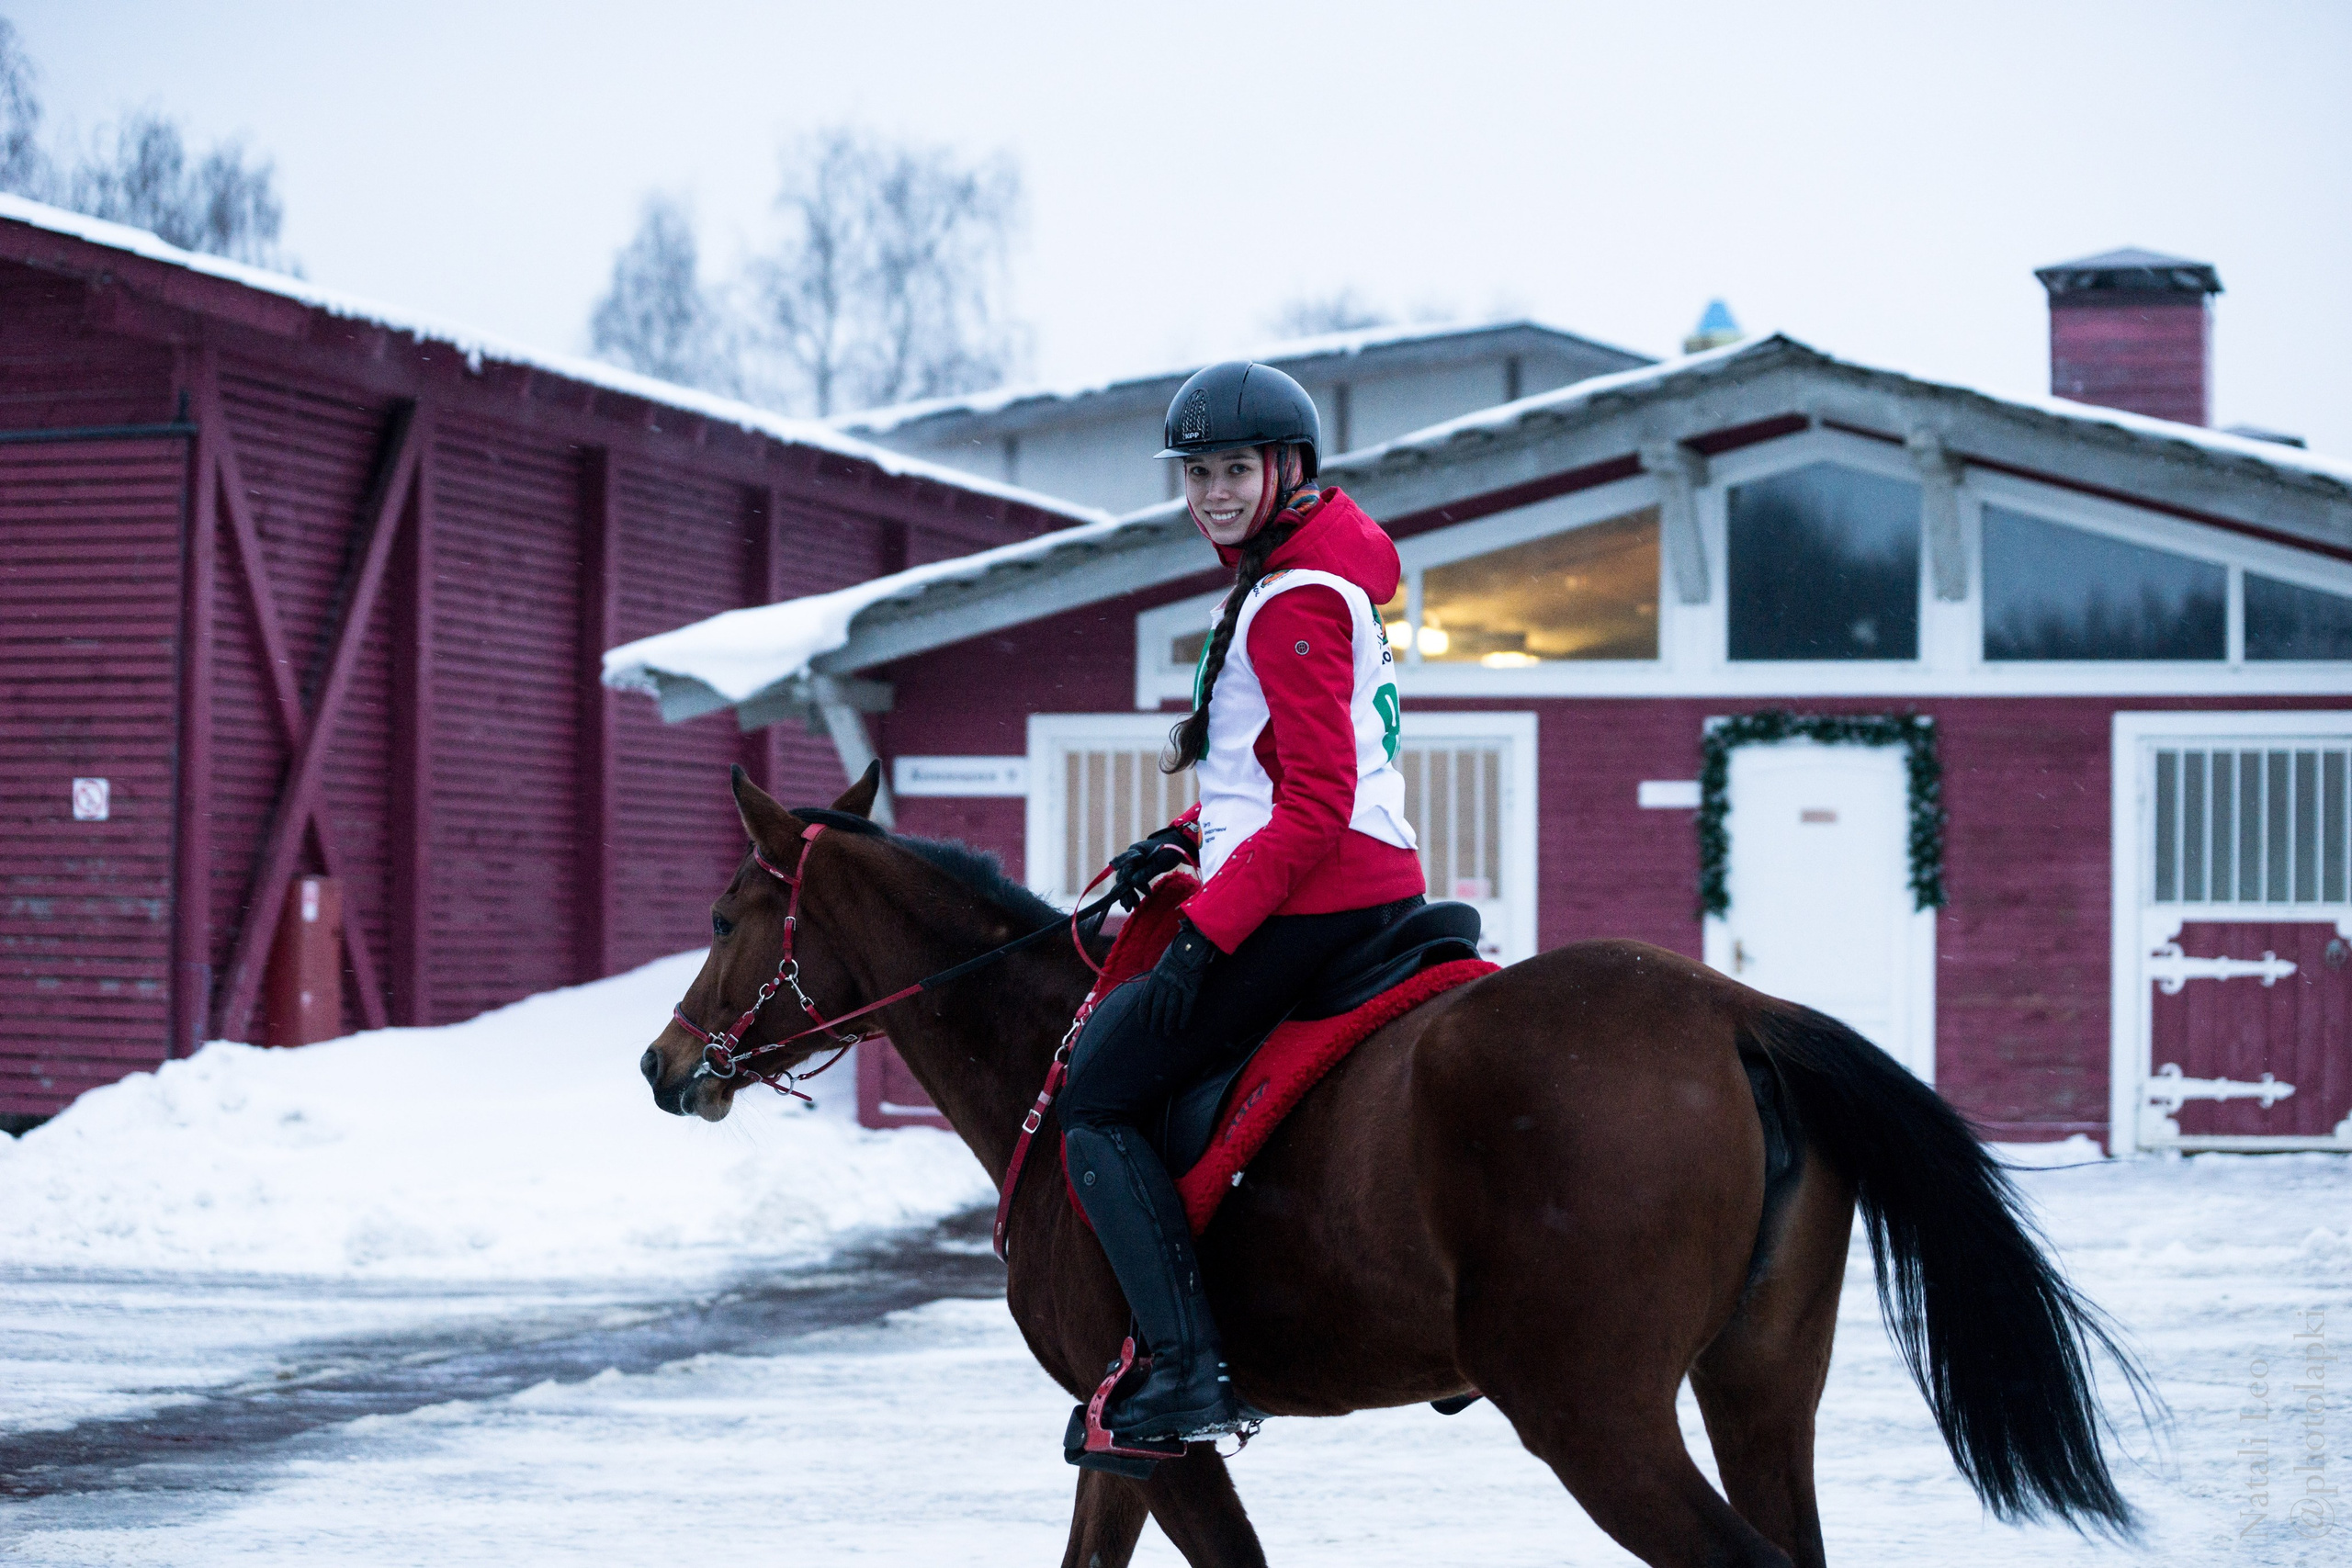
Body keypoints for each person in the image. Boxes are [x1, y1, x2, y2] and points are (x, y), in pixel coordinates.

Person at [1058, 360, 1424, 1443]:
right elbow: (1271, 778)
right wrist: (1177, 843)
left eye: (1234, 470)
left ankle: (1182, 1368)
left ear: (1289, 470)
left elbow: (1316, 806)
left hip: (1322, 893)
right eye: (1198, 473)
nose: (1212, 492)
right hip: (1341, 875)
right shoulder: (1301, 572)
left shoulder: (1294, 595)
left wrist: (1201, 939)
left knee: (1101, 1092)